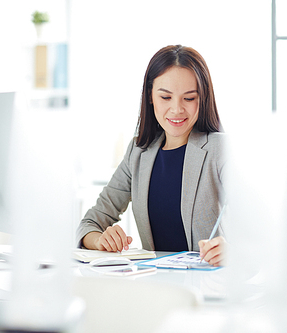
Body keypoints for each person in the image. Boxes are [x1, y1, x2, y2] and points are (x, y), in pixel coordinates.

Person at [76, 45, 226, 266]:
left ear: (202, 98)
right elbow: (89, 223)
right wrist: (100, 240)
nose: (176, 109)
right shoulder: (138, 152)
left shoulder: (219, 149)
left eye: (189, 98)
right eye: (166, 97)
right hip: (156, 286)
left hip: (208, 287)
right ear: (150, 97)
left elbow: (263, 228)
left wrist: (234, 249)